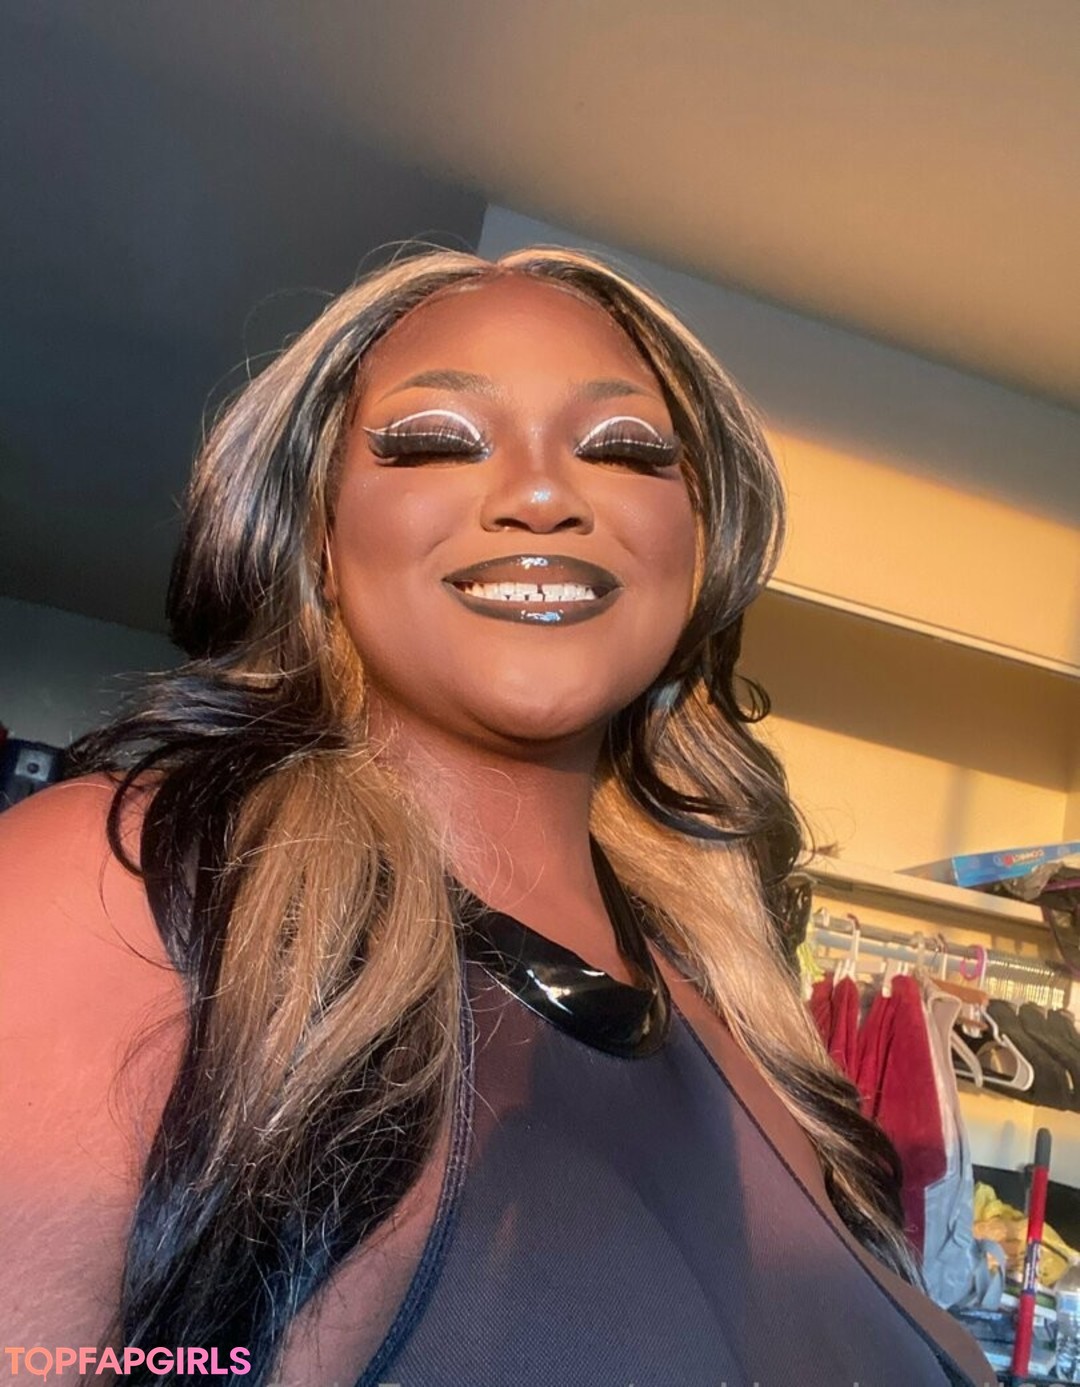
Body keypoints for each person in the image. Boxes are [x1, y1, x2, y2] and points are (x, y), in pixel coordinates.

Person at [0, 248, 995, 1386]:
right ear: (316, 533)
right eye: (436, 439)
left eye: (622, 449)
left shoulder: (740, 1013)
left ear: (697, 543)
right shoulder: (119, 893)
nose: (542, 494)